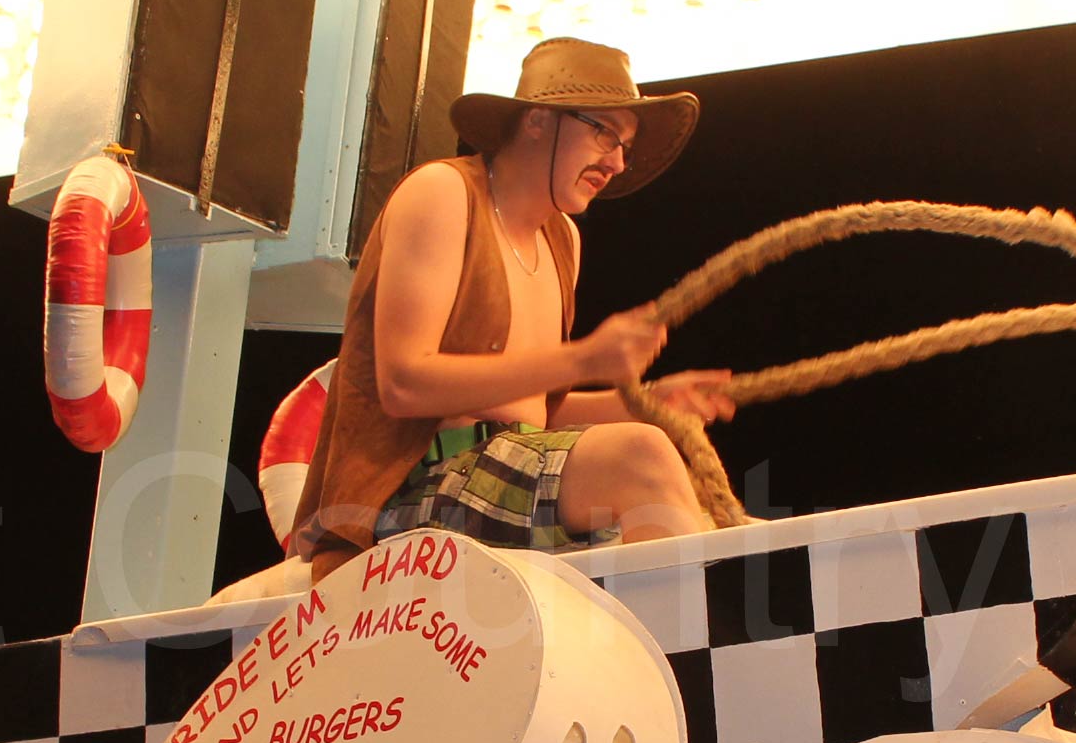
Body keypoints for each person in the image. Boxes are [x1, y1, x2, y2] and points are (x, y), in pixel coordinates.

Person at [287, 37, 740, 576]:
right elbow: (403, 384)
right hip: (406, 492)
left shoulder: (562, 240)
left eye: (625, 146)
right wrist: (585, 359)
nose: (617, 162)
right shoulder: (442, 192)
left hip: (507, 470)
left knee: (679, 490)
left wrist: (644, 404)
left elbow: (528, 412)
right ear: (537, 121)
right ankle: (679, 633)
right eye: (604, 133)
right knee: (642, 459)